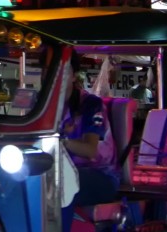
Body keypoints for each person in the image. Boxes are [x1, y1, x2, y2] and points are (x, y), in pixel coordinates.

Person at [61, 56, 119, 232]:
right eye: (49, 72)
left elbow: (90, 150)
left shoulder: (91, 105)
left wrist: (61, 142)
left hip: (101, 176)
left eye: (62, 71)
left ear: (73, 75)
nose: (55, 76)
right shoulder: (46, 106)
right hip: (63, 171)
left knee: (59, 186)